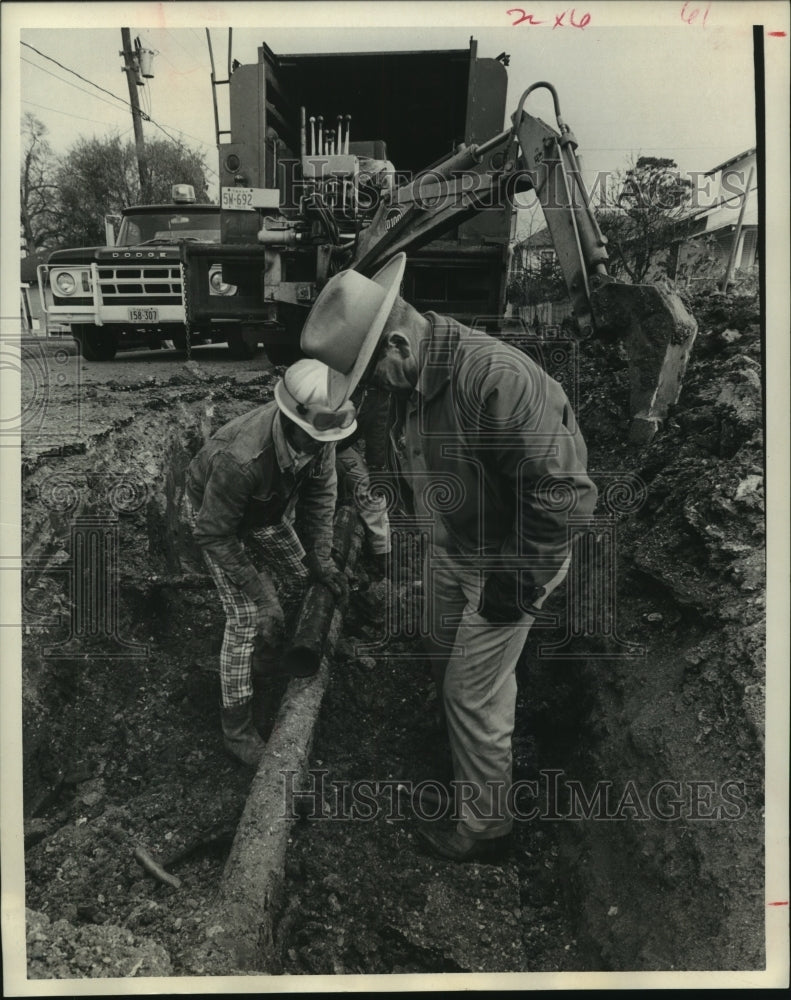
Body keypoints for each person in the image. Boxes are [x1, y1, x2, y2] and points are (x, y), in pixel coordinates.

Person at [300, 253, 598, 861]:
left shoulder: (494, 378)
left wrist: (513, 584)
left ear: (400, 345)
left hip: (512, 558)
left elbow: (564, 495)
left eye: (372, 376)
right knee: (441, 659)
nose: (375, 391)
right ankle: (464, 757)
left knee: (473, 690)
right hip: (454, 548)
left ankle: (486, 830)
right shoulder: (416, 376)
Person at [184, 359, 356, 765]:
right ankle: (237, 728)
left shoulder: (321, 435)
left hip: (264, 511)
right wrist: (261, 598)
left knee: (302, 579)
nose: (321, 446)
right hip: (217, 521)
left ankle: (268, 659)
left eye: (326, 439)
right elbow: (213, 532)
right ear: (291, 418)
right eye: (314, 438)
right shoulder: (240, 459)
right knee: (245, 617)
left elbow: (319, 498)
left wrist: (322, 560)